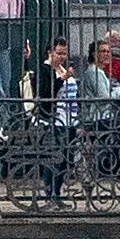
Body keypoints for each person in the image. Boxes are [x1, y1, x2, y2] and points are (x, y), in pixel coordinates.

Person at [40, 38, 79, 203]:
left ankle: (58, 191)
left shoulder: (63, 69)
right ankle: (50, 193)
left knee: (66, 159)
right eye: (59, 53)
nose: (62, 56)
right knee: (54, 158)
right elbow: (45, 94)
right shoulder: (45, 69)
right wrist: (61, 79)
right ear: (51, 52)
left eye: (64, 53)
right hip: (55, 120)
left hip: (70, 119)